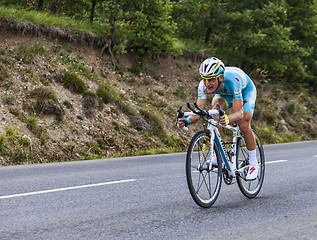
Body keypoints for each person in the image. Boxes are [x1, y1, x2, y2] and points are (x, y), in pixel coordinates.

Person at [178, 57, 259, 180]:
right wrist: (187, 121)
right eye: (204, 79)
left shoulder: (233, 81)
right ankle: (219, 154)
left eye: (210, 79)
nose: (207, 83)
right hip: (223, 92)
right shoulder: (203, 85)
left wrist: (227, 119)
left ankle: (253, 163)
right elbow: (199, 110)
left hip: (244, 90)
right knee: (214, 111)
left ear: (220, 77)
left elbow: (239, 114)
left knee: (243, 124)